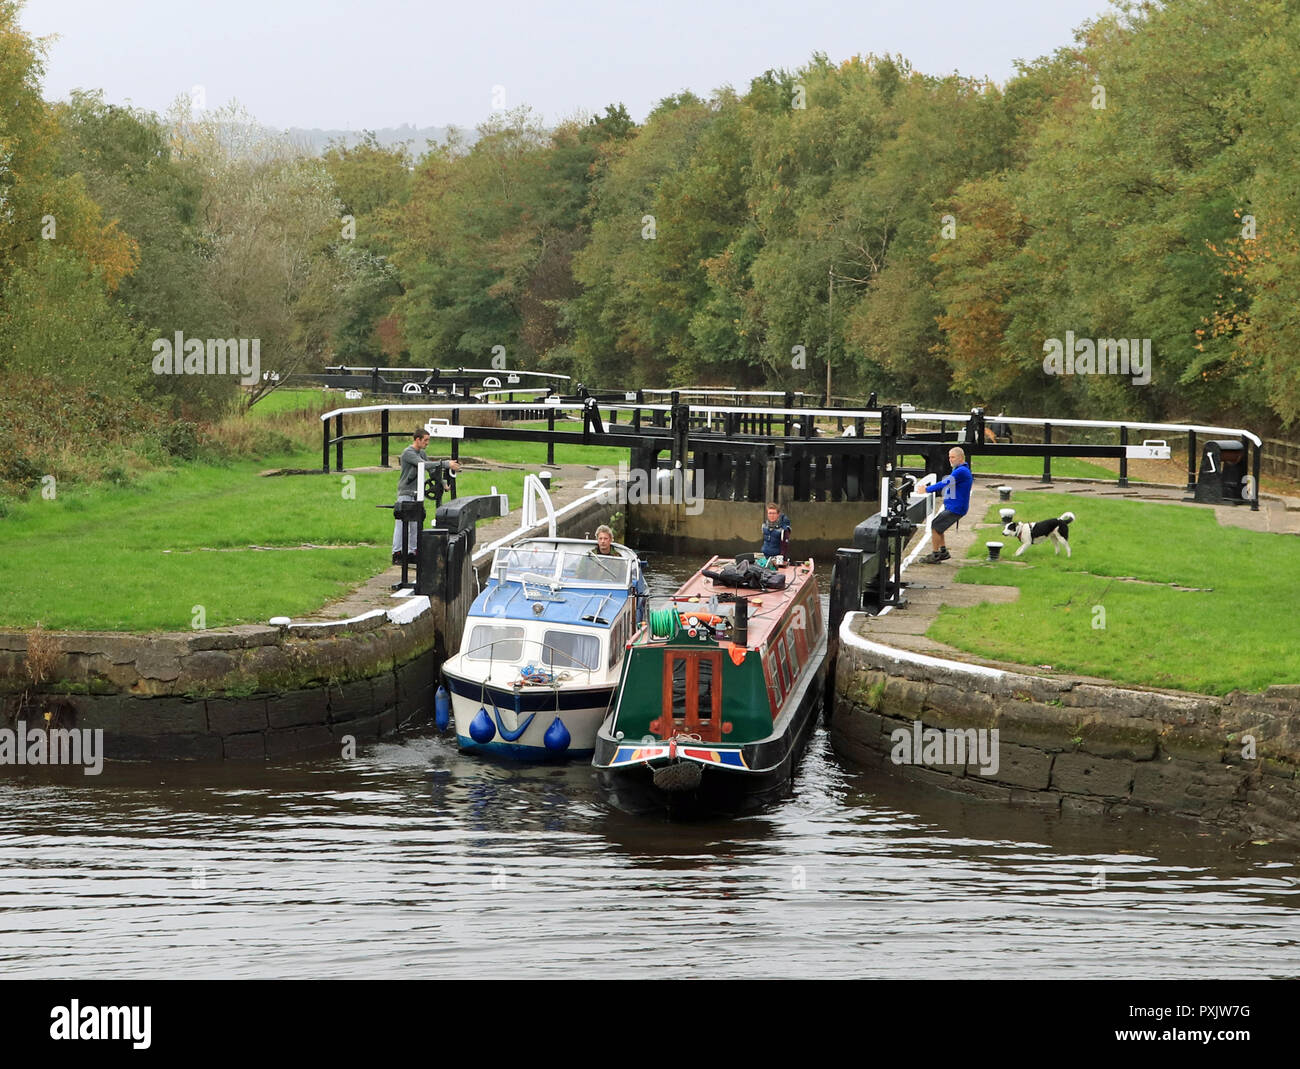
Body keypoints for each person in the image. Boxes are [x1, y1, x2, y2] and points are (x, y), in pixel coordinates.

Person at [392, 430, 460, 565]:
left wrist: (443, 483)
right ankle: (397, 553)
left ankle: (412, 552)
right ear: (417, 439)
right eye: (425, 440)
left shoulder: (422, 453)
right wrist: (446, 464)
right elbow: (423, 465)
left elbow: (431, 471)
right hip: (406, 493)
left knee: (415, 524)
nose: (427, 443)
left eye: (428, 440)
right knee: (401, 524)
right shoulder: (408, 453)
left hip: (418, 494)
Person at [921, 446, 972, 563]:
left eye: (953, 457)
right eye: (949, 457)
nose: (950, 459)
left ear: (961, 458)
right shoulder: (959, 469)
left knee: (935, 525)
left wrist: (927, 489)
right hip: (953, 506)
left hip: (956, 508)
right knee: (939, 527)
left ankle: (935, 555)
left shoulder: (961, 471)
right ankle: (943, 552)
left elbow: (945, 482)